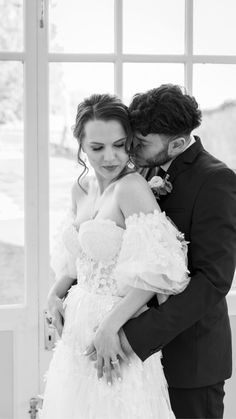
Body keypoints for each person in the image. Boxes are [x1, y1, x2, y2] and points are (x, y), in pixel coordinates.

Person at [84, 85, 236, 419]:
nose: (131, 150)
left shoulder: (216, 181)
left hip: (189, 360)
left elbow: (212, 280)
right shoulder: (141, 170)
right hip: (136, 364)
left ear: (178, 144)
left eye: (141, 143)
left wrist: (132, 335)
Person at [40, 93, 189, 419]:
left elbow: (158, 271)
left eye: (120, 145)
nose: (111, 157)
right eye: (97, 148)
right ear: (80, 143)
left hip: (117, 327)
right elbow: (77, 258)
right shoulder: (80, 189)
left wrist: (110, 326)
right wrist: (54, 294)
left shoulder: (132, 187)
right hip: (77, 324)